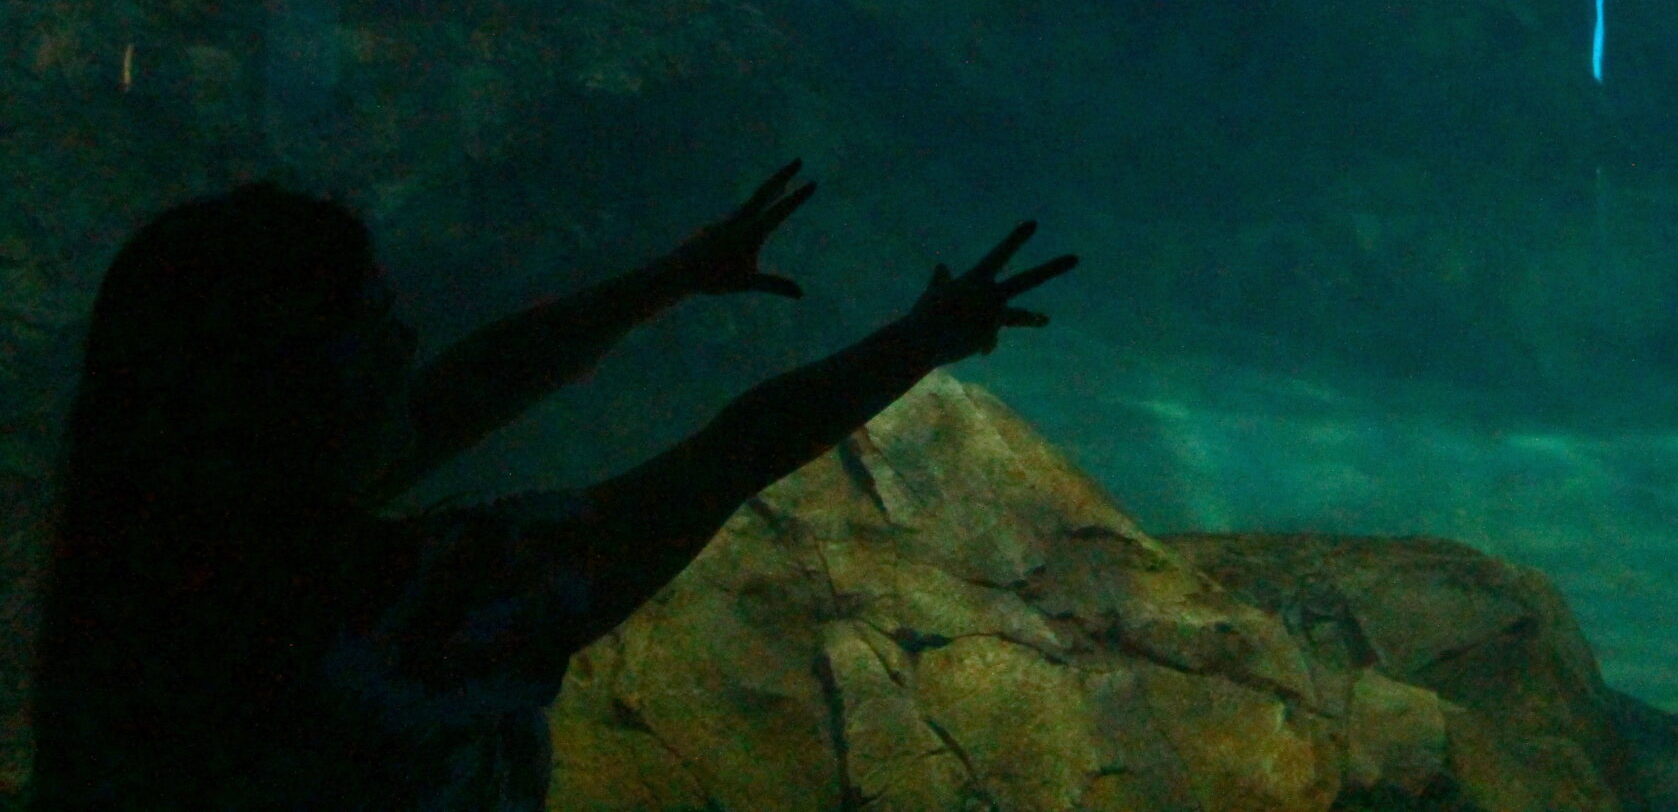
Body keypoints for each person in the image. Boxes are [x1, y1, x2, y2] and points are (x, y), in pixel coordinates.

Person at [30, 161, 1073, 811]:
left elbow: (457, 396)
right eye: (375, 326)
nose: (408, 343)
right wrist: (919, 341)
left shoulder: (150, 554)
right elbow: (729, 456)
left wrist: (669, 279)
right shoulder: (418, 609)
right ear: (301, 388)